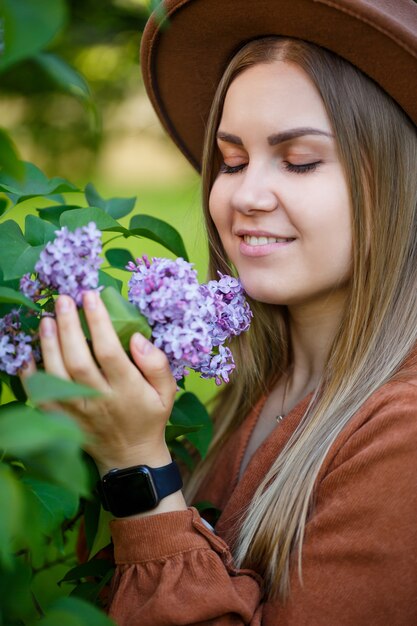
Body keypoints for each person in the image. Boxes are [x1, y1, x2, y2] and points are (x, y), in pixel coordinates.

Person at [24, 0, 417, 624]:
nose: (245, 196)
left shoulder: (404, 438)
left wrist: (137, 470)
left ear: (398, 183)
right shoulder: (239, 394)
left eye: (299, 161)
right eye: (232, 161)